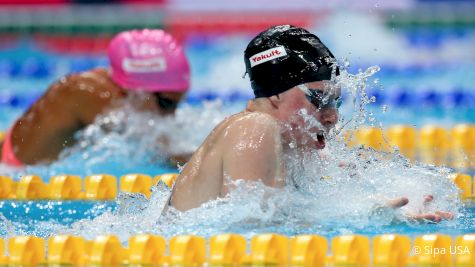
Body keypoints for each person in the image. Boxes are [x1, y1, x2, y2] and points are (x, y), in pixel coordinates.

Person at [169, 25, 453, 222]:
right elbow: (252, 229)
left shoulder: (294, 151)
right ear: (276, 94)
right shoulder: (254, 127)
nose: (332, 117)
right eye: (319, 99)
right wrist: (362, 215)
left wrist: (401, 208)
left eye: (336, 102)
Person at [0, 29, 190, 166]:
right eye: (167, 104)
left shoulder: (119, 89)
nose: (170, 115)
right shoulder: (92, 94)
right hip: (13, 171)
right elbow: (158, 156)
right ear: (138, 90)